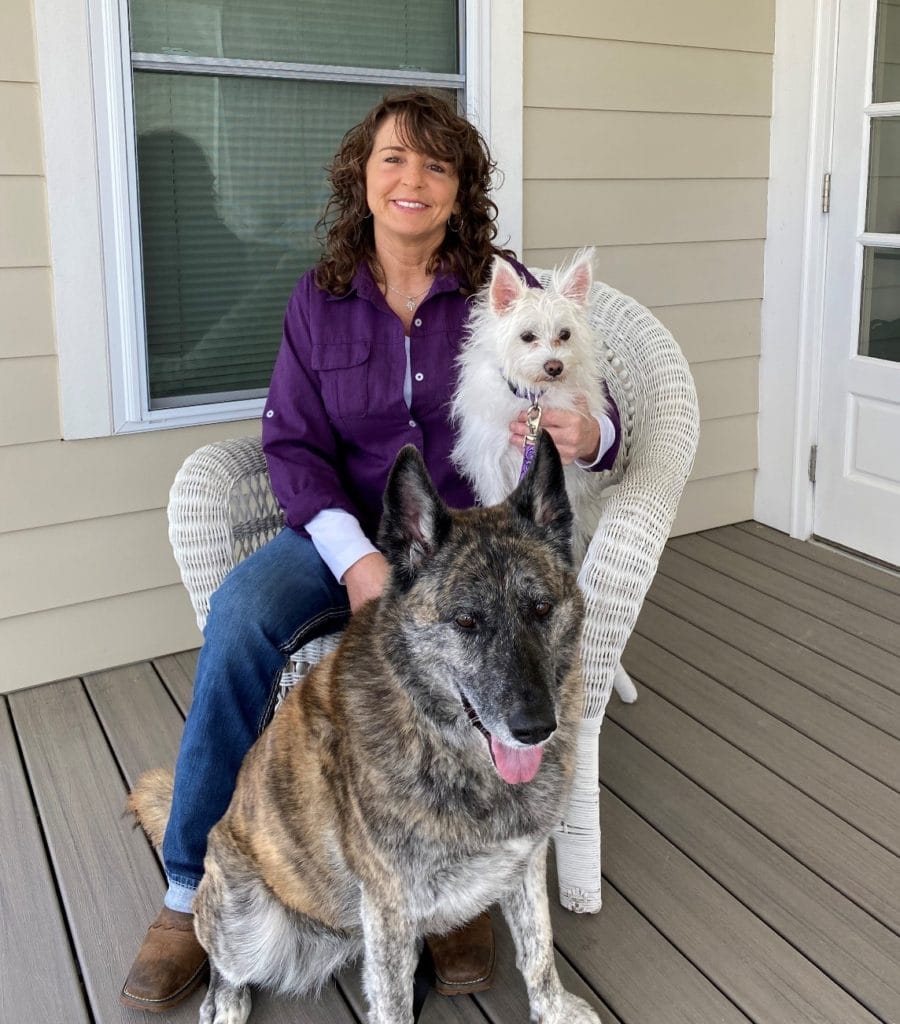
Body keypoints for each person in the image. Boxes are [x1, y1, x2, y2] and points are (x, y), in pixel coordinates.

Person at [121, 90, 620, 1013]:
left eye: (437, 163)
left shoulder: (498, 286)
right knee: (239, 617)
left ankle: (457, 886)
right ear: (363, 175)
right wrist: (357, 560)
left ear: (460, 186)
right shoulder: (323, 298)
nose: (412, 179)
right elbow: (291, 446)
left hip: (474, 546)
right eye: (394, 159)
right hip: (344, 530)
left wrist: (591, 434)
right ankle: (189, 889)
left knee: (472, 652)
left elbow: (576, 374)